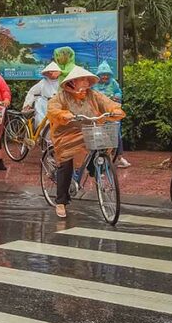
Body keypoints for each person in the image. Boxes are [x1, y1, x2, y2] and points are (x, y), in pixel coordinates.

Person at [47, 66, 124, 219]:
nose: (86, 83)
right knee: (66, 163)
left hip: (90, 130)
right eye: (82, 80)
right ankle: (61, 201)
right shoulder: (62, 97)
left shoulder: (93, 95)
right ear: (73, 82)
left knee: (102, 146)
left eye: (87, 80)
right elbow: (53, 109)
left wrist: (114, 109)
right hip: (67, 134)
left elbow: (107, 103)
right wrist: (64, 114)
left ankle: (94, 170)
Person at [94, 61, 130, 168]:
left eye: (107, 74)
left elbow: (118, 92)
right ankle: (100, 159)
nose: (105, 77)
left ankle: (119, 157)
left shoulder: (113, 82)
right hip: (98, 114)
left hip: (111, 113)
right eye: (102, 74)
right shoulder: (94, 84)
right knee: (98, 135)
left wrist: (117, 96)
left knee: (115, 133)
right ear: (99, 74)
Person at [22, 62, 61, 127]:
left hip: (56, 105)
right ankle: (41, 135)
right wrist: (28, 104)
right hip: (43, 105)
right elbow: (32, 92)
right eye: (49, 71)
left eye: (53, 71)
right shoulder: (43, 82)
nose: (51, 73)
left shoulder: (61, 82)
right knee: (42, 122)